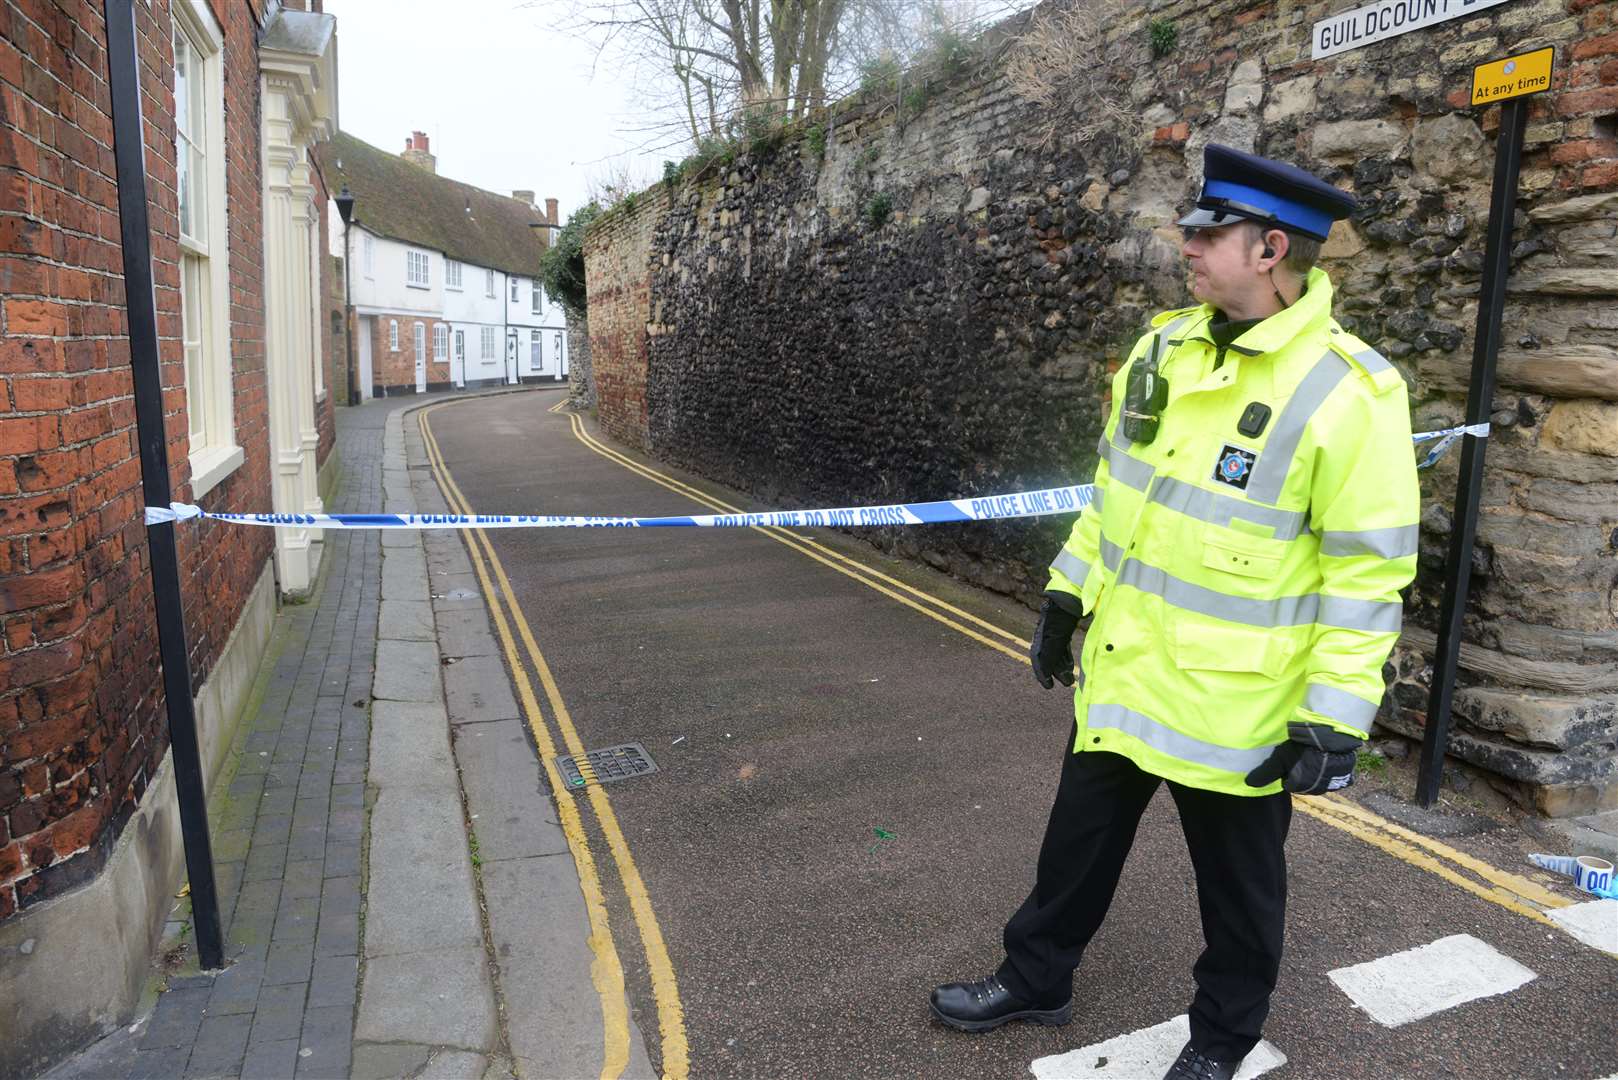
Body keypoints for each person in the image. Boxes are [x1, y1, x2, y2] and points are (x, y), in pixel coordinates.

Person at [929, 144, 1421, 1080]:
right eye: (1189, 228)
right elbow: (1116, 491)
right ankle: (1036, 977)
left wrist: (1338, 712)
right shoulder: (1161, 347)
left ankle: (1221, 1039)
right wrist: (1067, 592)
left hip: (1240, 704)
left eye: (1207, 232)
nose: (1185, 245)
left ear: (1271, 247)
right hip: (1126, 668)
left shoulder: (1352, 392)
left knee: (1240, 890)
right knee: (1073, 847)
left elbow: (1367, 573)